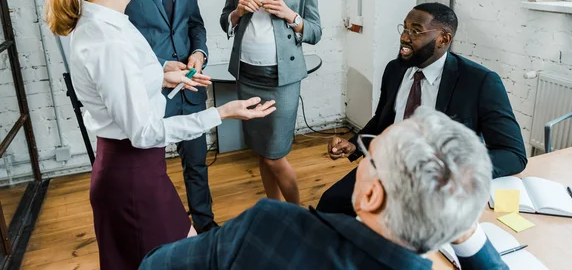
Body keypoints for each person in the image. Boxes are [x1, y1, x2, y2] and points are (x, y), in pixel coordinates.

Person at [45, 0, 276, 269]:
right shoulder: (109, 40)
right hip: (133, 180)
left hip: (138, 174)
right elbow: (146, 132)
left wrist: (163, 75)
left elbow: (126, 85)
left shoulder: (108, 23)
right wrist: (223, 112)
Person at [139, 108, 508, 270]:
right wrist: (466, 229)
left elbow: (155, 266)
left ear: (370, 196)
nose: (361, 159)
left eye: (369, 154)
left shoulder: (271, 225)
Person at [318, 2, 527, 216]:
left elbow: (512, 154)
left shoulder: (479, 82)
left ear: (443, 39)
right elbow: (383, 120)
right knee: (330, 205)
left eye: (416, 31)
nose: (405, 37)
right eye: (405, 28)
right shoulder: (395, 69)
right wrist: (354, 145)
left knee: (398, 228)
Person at [124, 0, 217, 234]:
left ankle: (205, 230)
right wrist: (159, 69)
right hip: (150, 90)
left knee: (197, 164)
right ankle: (162, 233)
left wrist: (199, 52)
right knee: (149, 171)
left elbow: (195, 22)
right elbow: (124, 38)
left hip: (190, 85)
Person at [219, 0, 322, 204]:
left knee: (276, 155)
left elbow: (315, 31)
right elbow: (226, 19)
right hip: (247, 74)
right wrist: (237, 12)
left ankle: (297, 214)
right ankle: (274, 210)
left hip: (283, 80)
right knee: (261, 153)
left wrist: (292, 16)